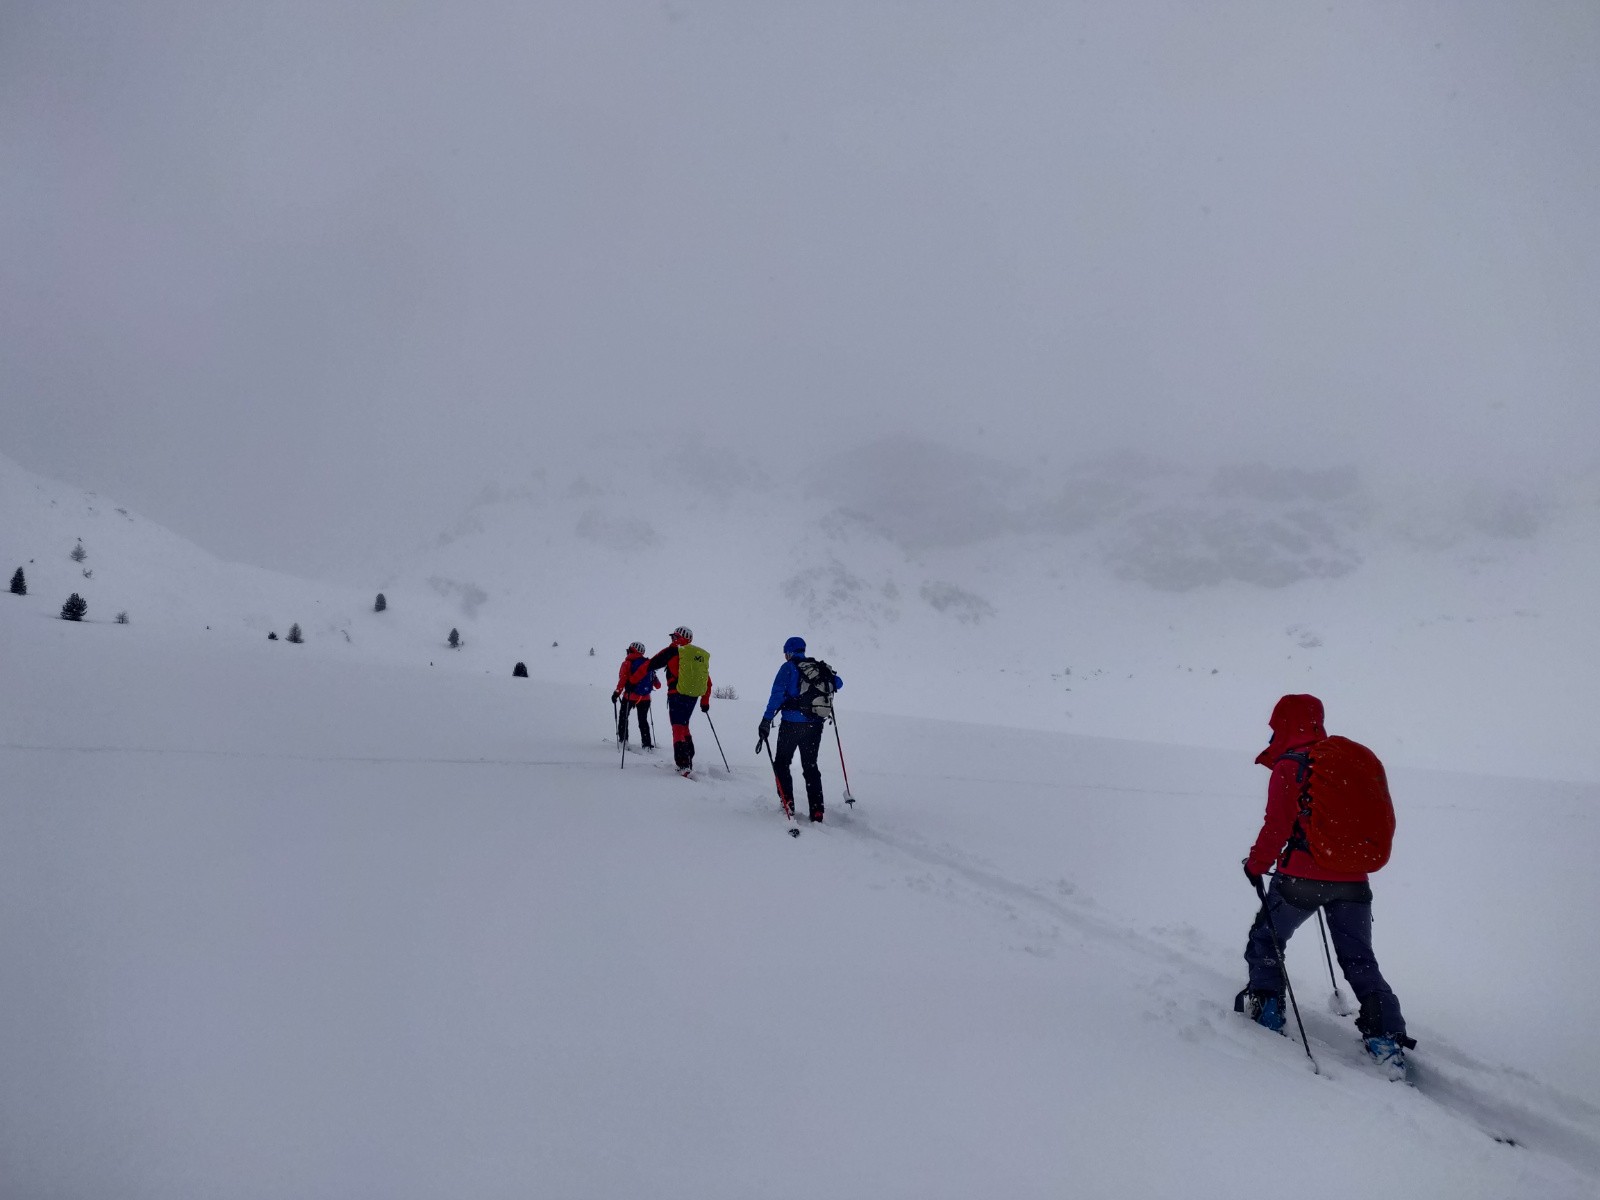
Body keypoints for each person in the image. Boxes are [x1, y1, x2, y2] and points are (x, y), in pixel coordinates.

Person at [1236, 693, 1414, 1071]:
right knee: (1359, 959)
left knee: (1266, 938)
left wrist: (1256, 864)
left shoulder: (1290, 766)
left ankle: (1267, 1009)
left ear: (1283, 723)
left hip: (1300, 877)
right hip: (1353, 880)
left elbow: (1277, 826)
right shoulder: (1345, 765)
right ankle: (1385, 1038)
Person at [757, 636, 843, 823]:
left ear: (788, 652)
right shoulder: (818, 668)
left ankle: (787, 803)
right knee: (810, 766)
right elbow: (839, 683)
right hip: (815, 725)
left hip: (791, 724)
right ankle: (817, 810)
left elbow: (776, 695)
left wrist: (766, 720)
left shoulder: (788, 668)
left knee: (782, 763)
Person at [647, 626, 712, 774]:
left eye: (674, 637)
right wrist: (705, 701)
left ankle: (683, 764)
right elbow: (708, 682)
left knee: (677, 727)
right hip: (693, 696)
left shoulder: (672, 651)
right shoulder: (695, 657)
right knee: (684, 725)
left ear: (678, 638)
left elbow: (651, 664)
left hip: (676, 694)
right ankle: (689, 756)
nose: (672, 639)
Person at [611, 641, 659, 749]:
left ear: (631, 650)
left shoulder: (627, 663)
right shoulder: (648, 663)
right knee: (643, 720)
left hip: (630, 696)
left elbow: (622, 680)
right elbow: (658, 685)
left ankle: (623, 740)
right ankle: (646, 744)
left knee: (623, 717)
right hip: (645, 697)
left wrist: (616, 693)